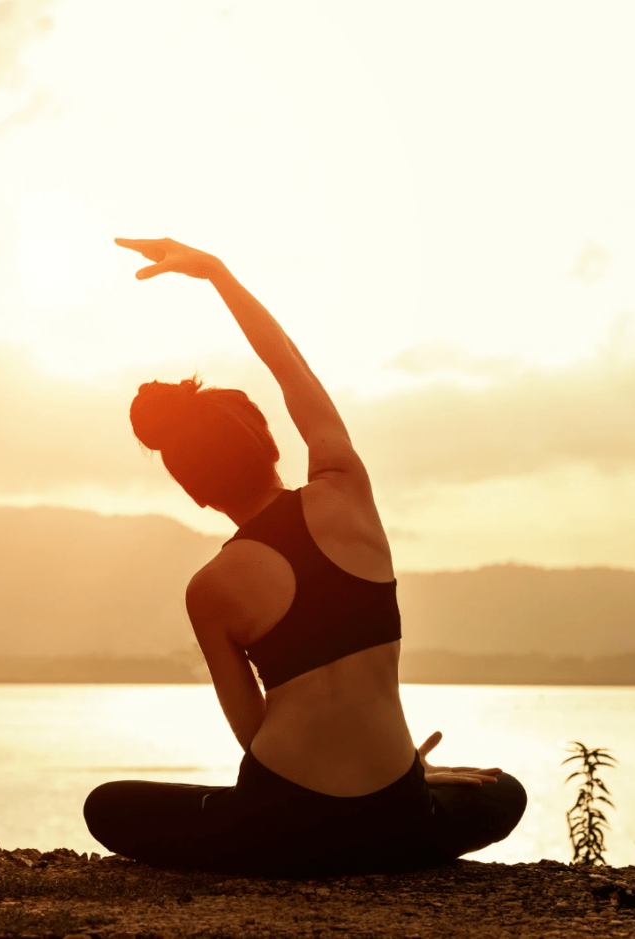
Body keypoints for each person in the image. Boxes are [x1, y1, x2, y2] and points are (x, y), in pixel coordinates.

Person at [83, 237, 526, 876]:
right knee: (502, 791)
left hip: (281, 831)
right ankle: (406, 799)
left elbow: (254, 734)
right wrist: (215, 273)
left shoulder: (209, 590)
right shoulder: (347, 489)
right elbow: (289, 365)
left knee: (110, 806)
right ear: (269, 442)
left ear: (196, 493)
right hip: (397, 820)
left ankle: (303, 835)